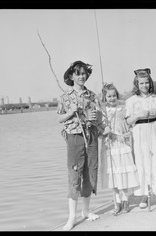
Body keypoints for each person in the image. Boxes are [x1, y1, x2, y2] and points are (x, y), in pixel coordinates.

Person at [57, 60, 101, 231]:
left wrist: (93, 118)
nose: (82, 76)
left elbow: (99, 117)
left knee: (89, 172)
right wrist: (71, 111)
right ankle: (71, 218)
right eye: (78, 73)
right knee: (74, 175)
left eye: (84, 73)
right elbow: (60, 118)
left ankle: (86, 211)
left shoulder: (92, 95)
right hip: (74, 138)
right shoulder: (65, 97)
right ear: (71, 76)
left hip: (91, 136)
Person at [125, 68, 156, 209]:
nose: (144, 86)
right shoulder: (131, 101)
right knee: (142, 161)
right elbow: (128, 121)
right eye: (141, 83)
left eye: (146, 83)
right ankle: (144, 195)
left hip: (155, 130)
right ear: (137, 84)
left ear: (150, 83)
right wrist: (138, 115)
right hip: (139, 132)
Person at [100, 83, 140, 215]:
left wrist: (128, 133)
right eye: (109, 96)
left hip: (122, 145)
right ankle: (116, 203)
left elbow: (129, 124)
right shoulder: (103, 112)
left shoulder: (123, 109)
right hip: (110, 146)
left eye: (114, 96)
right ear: (105, 98)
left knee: (123, 173)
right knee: (114, 174)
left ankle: (125, 201)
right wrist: (104, 131)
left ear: (117, 96)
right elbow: (99, 130)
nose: (112, 98)